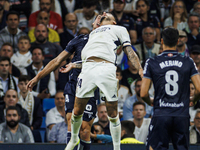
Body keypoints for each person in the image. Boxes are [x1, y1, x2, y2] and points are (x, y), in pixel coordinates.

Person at [27, 13, 142, 150]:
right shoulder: (82, 39)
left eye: (105, 16)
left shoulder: (115, 33)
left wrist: (140, 69)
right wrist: (38, 77)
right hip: (81, 77)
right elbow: (60, 60)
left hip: (101, 73)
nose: (102, 16)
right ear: (94, 23)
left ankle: (114, 147)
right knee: (73, 116)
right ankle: (72, 141)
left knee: (93, 125)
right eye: (100, 16)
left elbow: (125, 51)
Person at [26, 14, 105, 150]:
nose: (99, 21)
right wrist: (37, 77)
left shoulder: (106, 44)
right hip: (74, 84)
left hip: (90, 87)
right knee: (71, 122)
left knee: (85, 131)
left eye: (103, 20)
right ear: (93, 23)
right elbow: (57, 61)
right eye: (98, 19)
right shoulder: (79, 40)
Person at [140, 27, 200, 150]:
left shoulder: (152, 62)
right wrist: (193, 100)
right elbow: (199, 88)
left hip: (161, 115)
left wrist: (150, 102)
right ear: (177, 41)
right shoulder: (188, 61)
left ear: (161, 41)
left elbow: (143, 93)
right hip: (181, 116)